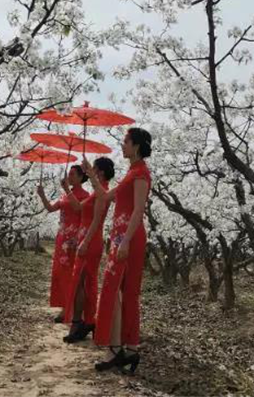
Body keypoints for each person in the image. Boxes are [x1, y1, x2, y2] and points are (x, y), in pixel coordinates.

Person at [82, 127, 152, 374]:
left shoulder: (141, 173)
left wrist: (125, 242)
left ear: (136, 145)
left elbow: (138, 210)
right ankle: (129, 349)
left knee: (117, 291)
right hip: (121, 237)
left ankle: (116, 349)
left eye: (125, 141)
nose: (122, 145)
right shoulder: (131, 172)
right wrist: (91, 175)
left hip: (128, 239)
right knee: (124, 292)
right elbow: (105, 196)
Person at [61, 156, 115, 344]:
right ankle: (88, 321)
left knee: (81, 282)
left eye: (94, 168)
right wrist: (67, 190)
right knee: (85, 283)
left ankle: (78, 323)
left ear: (100, 171)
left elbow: (97, 220)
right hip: (86, 238)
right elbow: (77, 207)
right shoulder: (96, 192)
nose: (90, 171)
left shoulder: (102, 191)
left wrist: (85, 242)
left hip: (90, 240)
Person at [36, 165, 89, 323]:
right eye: (69, 174)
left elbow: (78, 210)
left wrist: (67, 190)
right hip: (61, 239)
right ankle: (65, 307)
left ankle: (70, 310)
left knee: (71, 274)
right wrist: (42, 195)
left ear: (81, 177)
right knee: (60, 273)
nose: (69, 177)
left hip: (74, 240)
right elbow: (50, 208)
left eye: (72, 174)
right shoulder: (65, 195)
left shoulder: (85, 195)